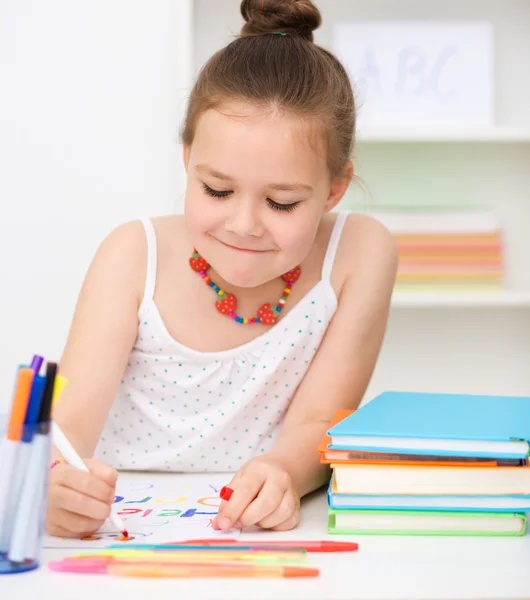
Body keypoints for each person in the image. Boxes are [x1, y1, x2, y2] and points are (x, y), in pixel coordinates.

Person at [46, 0, 398, 538]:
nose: (244, 224)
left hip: (261, 536)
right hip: (126, 530)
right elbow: (65, 429)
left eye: (282, 202)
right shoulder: (133, 255)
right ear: (187, 161)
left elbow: (318, 423)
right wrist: (54, 485)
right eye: (217, 190)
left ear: (334, 189)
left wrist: (282, 471)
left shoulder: (358, 253)